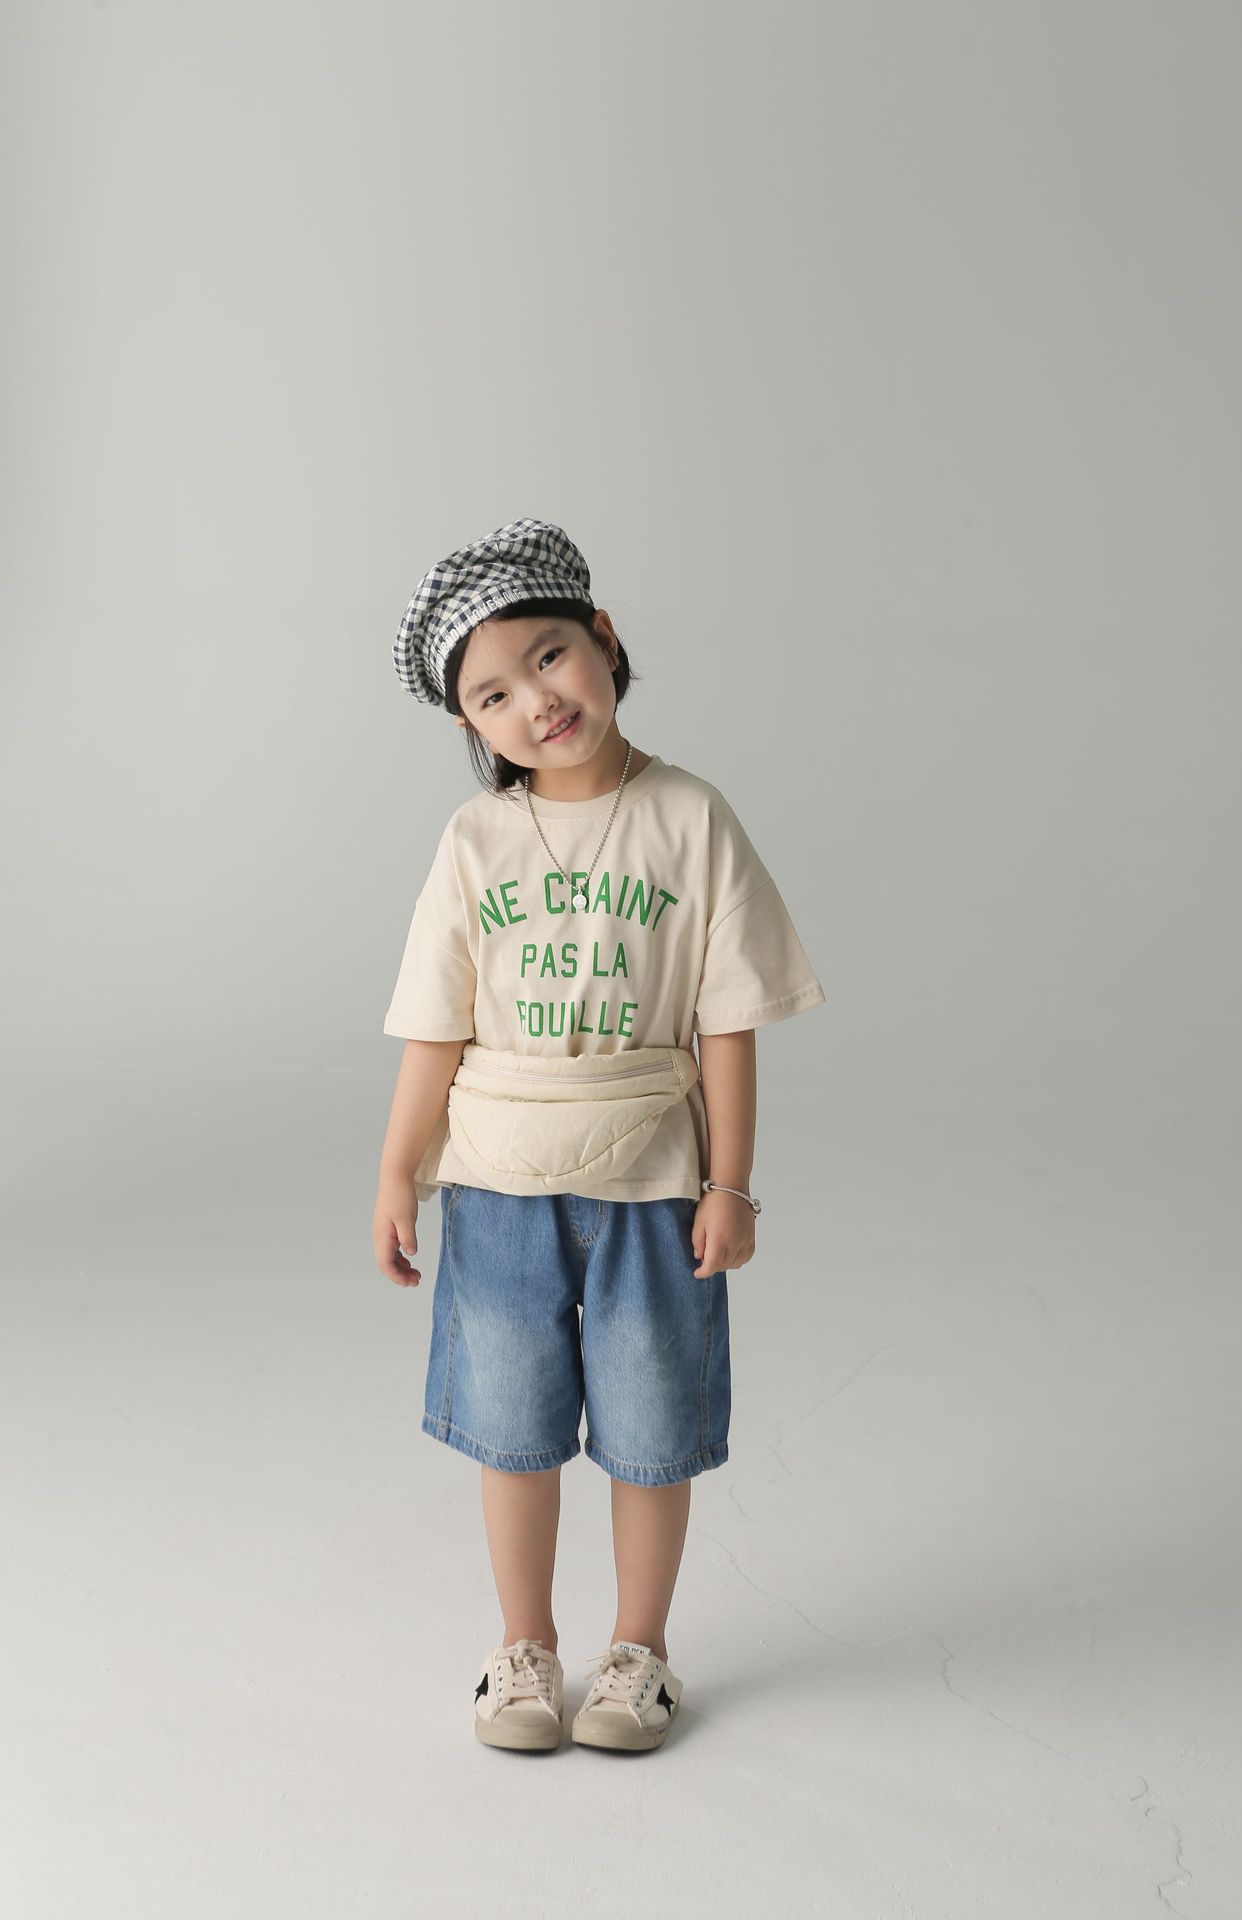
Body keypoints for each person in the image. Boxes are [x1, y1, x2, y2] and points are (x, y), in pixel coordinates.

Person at [372, 517, 826, 1754]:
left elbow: (726, 1021)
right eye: (493, 695)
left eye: (549, 657)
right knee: (512, 1431)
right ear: (470, 727)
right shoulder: (474, 842)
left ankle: (639, 1652)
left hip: (652, 1183)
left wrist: (730, 1184)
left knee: (648, 1433)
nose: (536, 701)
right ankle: (523, 1647)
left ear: (604, 639)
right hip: (497, 1183)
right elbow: (435, 1026)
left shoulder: (688, 817)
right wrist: (397, 1169)